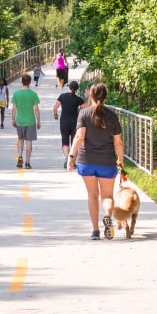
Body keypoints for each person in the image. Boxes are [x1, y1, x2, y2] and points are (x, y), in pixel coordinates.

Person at [66, 82, 123, 239]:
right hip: (107, 162)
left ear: (90, 95)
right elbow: (118, 142)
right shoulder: (112, 116)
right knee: (107, 197)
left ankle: (95, 231)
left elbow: (79, 136)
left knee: (92, 195)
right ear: (105, 96)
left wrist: (71, 156)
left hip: (87, 161)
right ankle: (107, 217)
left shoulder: (83, 113)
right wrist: (121, 160)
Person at [10, 73, 41, 169]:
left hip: (20, 120)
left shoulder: (16, 93)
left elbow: (14, 108)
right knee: (29, 141)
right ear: (30, 82)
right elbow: (36, 109)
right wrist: (38, 121)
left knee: (20, 139)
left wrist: (13, 119)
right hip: (30, 121)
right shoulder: (33, 94)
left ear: (22, 82)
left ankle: (20, 156)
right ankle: (27, 162)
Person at [52, 80, 84, 167]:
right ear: (76, 89)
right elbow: (85, 107)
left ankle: (67, 158)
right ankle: (72, 161)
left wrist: (55, 115)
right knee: (74, 142)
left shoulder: (62, 96)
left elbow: (55, 108)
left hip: (64, 122)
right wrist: (90, 98)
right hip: (75, 123)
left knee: (65, 141)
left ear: (69, 87)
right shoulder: (78, 99)